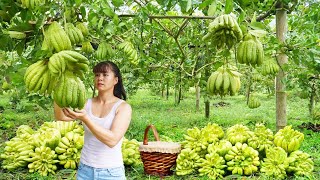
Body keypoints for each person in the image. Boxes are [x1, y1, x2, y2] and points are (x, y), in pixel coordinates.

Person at [54, 61, 132, 180]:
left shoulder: (123, 107)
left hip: (111, 172)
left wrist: (86, 119)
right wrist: (59, 89)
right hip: (85, 170)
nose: (100, 78)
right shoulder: (86, 104)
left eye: (105, 75)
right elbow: (61, 117)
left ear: (116, 80)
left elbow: (112, 140)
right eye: (97, 75)